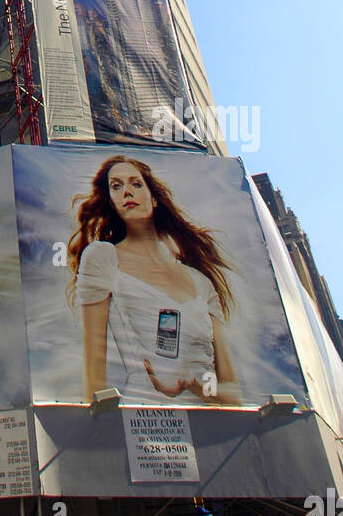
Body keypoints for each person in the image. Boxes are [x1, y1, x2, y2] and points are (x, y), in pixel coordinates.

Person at [66, 155, 241, 406]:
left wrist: (195, 387)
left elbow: (233, 393)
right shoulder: (103, 257)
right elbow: (94, 380)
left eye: (136, 184)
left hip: (213, 428)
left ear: (154, 198)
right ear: (111, 202)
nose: (127, 191)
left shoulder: (201, 282)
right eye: (116, 186)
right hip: (146, 423)